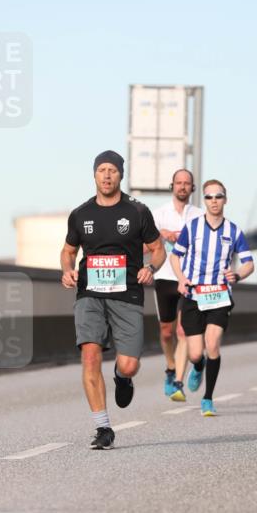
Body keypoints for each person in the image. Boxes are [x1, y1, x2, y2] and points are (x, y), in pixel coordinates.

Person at [60, 150, 165, 449]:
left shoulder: (137, 211)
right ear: (94, 174)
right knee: (90, 355)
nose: (107, 175)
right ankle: (103, 427)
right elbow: (68, 251)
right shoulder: (81, 214)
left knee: (130, 364)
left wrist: (150, 268)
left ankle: (122, 377)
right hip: (90, 294)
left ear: (121, 174)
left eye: (113, 170)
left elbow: (158, 249)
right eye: (102, 170)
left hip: (127, 294)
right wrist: (67, 270)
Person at [170, 179, 254, 416]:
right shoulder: (192, 227)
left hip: (219, 295)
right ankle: (198, 365)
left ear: (225, 199)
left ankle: (208, 398)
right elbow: (175, 257)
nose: (214, 201)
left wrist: (238, 274)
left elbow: (249, 263)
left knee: (213, 343)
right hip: (193, 295)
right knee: (196, 353)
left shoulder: (234, 231)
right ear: (204, 200)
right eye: (209, 197)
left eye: (218, 196)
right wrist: (181, 279)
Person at [152, 169, 204, 401]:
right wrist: (161, 235)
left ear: (192, 188)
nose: (182, 187)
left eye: (187, 183)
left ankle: (179, 381)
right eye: (178, 183)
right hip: (164, 276)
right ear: (172, 186)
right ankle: (171, 368)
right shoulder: (158, 214)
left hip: (190, 278)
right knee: (166, 332)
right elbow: (144, 247)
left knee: (183, 331)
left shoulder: (200, 215)